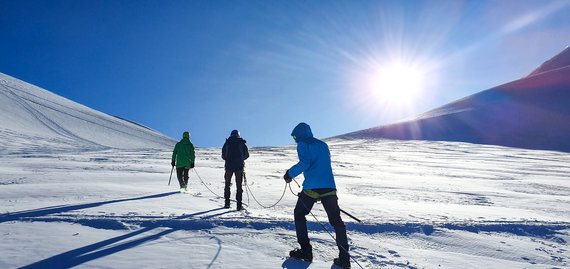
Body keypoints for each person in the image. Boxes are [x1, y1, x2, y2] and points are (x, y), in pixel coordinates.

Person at [284, 122, 350, 268]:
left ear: (299, 134)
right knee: (336, 221)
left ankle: (306, 252)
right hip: (329, 187)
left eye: (295, 136)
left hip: (312, 188)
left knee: (299, 214)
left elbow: (304, 164)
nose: (295, 139)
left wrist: (289, 174)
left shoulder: (303, 144)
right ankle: (345, 259)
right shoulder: (323, 145)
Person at [221, 129, 249, 210]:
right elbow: (246, 155)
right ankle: (239, 205)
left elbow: (223, 156)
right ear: (238, 134)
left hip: (229, 167)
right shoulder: (241, 142)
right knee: (239, 186)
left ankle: (227, 203)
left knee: (227, 184)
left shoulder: (227, 143)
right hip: (239, 167)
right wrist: (240, 159)